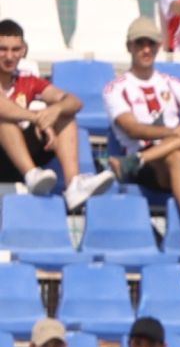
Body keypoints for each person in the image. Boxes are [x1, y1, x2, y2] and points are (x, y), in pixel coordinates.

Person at [103, 18, 180, 240]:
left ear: (158, 47)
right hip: (151, 170)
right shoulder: (115, 88)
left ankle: (139, 159)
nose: (146, 49)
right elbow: (132, 129)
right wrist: (173, 132)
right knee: (177, 157)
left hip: (174, 157)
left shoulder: (169, 81)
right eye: (140, 44)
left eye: (151, 44)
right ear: (130, 47)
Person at [0, 19, 117, 212]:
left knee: (64, 113)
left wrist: (54, 111)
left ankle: (74, 186)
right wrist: (38, 118)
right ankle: (31, 174)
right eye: (2, 49)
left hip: (18, 157)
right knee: (5, 120)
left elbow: (74, 101)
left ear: (23, 50)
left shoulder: (27, 80)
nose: (9, 56)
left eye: (15, 49)